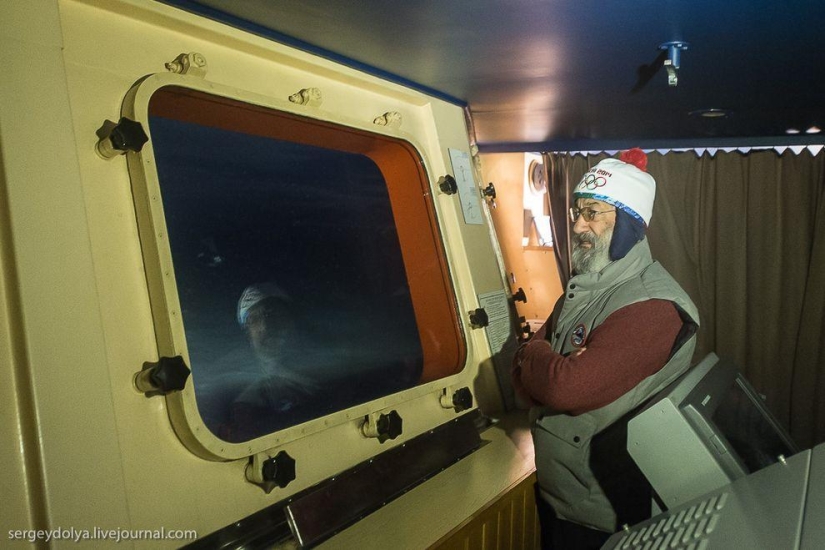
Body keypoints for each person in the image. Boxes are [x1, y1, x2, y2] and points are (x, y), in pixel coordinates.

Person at [512, 149, 700, 549]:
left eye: (593, 213)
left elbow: (566, 389)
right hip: (561, 496)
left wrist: (537, 359)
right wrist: (542, 363)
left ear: (629, 224)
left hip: (601, 514)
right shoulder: (584, 288)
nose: (578, 225)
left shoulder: (652, 306)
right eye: (576, 212)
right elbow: (524, 380)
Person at [219, 282, 323, 442]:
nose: (265, 327)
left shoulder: (321, 370)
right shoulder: (227, 380)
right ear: (246, 331)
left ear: (291, 322)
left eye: (274, 315)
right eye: (255, 319)